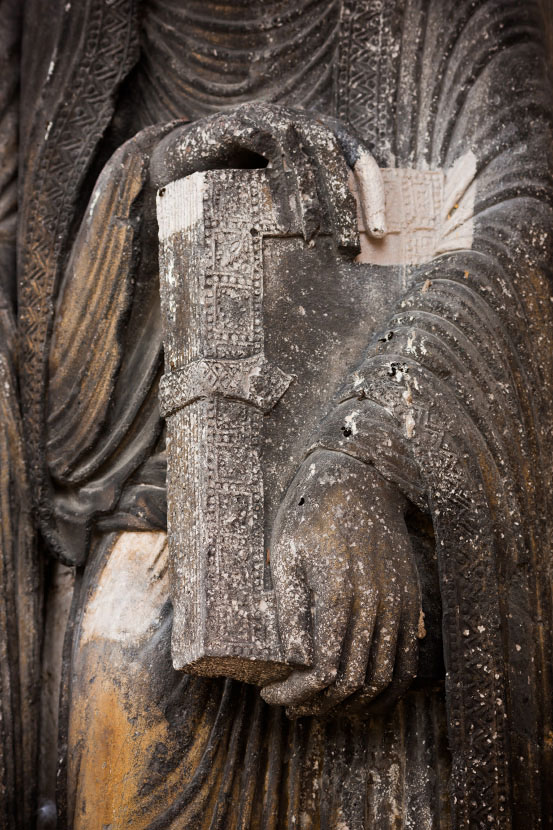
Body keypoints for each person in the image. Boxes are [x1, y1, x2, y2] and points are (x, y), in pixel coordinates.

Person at [6, 0, 553, 826]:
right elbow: (25, 302)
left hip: (384, 474)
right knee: (126, 666)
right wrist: (154, 179)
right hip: (136, 482)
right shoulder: (57, 24)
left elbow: (518, 214)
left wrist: (368, 462)